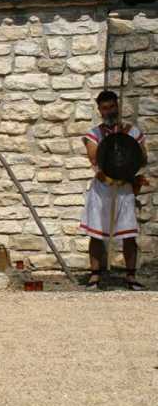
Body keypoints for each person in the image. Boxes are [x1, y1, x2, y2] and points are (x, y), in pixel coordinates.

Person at [79, 90, 148, 290]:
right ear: (99, 110)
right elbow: (94, 158)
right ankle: (95, 276)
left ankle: (131, 277)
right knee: (96, 233)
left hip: (124, 186)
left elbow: (142, 158)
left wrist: (125, 143)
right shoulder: (94, 134)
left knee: (128, 233)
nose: (109, 111)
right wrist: (112, 143)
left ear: (117, 107)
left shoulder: (132, 132)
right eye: (105, 108)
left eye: (112, 107)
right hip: (103, 188)